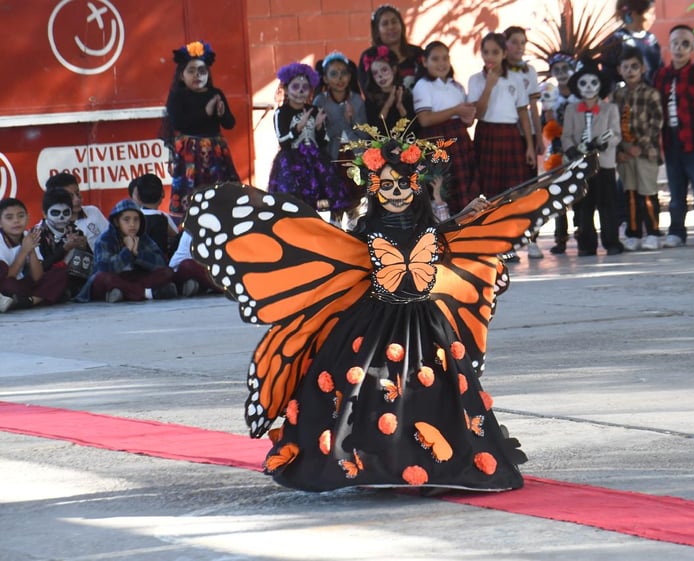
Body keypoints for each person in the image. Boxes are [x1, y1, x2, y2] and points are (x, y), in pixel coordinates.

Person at [182, 121, 598, 494]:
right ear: (373, 187)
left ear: (416, 186)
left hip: (427, 321)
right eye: (386, 184)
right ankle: (367, 461)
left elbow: (458, 235)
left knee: (434, 395)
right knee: (367, 390)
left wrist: (467, 216)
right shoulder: (363, 234)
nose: (396, 192)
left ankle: (435, 465)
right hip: (373, 320)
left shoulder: (431, 227)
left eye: (402, 184)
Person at [468, 32, 535, 262]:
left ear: (504, 53)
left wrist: (529, 144)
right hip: (487, 132)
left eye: (495, 52)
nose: (490, 57)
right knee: (491, 188)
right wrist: (489, 84)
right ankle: (495, 242)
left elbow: (523, 113)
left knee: (513, 189)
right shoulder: (476, 80)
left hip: (510, 134)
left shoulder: (516, 80)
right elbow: (479, 113)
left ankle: (515, 240)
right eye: (485, 52)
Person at [653, 25, 694, 248]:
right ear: (669, 46)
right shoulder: (661, 75)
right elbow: (656, 110)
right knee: (676, 191)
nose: (679, 49)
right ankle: (677, 231)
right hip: (671, 142)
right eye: (675, 44)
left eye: (685, 44)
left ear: (692, 48)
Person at [163, 40, 238, 219]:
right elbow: (180, 123)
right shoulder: (177, 96)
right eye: (191, 71)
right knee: (191, 198)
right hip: (190, 155)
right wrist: (206, 112)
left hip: (215, 153)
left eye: (202, 71)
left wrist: (221, 113)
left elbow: (229, 123)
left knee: (220, 197)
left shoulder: (215, 93)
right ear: (182, 75)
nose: (197, 75)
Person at [267, 62, 349, 223]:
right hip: (291, 161)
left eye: (305, 87)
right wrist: (298, 127)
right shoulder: (281, 112)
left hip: (315, 159)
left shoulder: (315, 110)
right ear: (286, 90)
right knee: (293, 197)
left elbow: (322, 141)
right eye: (296, 86)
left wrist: (318, 127)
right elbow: (283, 142)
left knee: (328, 192)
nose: (300, 91)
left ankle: (331, 225)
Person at [562, 60, 623, 256]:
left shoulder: (609, 109)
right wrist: (571, 150)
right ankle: (586, 244)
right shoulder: (571, 109)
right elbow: (566, 135)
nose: (588, 88)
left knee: (607, 205)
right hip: (581, 164)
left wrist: (605, 143)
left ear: (600, 85)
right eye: (583, 83)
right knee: (583, 206)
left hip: (604, 163)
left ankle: (611, 241)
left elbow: (616, 133)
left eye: (593, 83)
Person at [412, 40, 477, 216]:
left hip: (460, 140)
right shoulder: (423, 86)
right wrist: (456, 110)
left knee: (466, 190)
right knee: (444, 190)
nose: (441, 63)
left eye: (445, 58)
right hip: (437, 143)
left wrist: (468, 116)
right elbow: (424, 120)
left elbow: (466, 120)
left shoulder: (456, 86)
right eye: (435, 59)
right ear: (425, 62)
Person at [74, 199, 176, 303]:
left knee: (167, 272)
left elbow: (161, 262)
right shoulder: (105, 239)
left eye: (136, 219)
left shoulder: (142, 237)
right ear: (116, 222)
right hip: (114, 278)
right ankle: (146, 293)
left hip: (134, 278)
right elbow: (104, 269)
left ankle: (122, 292)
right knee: (102, 278)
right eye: (126, 220)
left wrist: (137, 255)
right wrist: (127, 252)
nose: (132, 224)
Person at [614, 46, 664, 251]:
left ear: (643, 68)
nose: (630, 71)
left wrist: (640, 145)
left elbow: (657, 122)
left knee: (647, 193)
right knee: (630, 193)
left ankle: (652, 232)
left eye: (635, 66)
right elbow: (612, 123)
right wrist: (620, 150)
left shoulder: (651, 93)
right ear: (620, 70)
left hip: (646, 151)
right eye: (626, 67)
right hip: (625, 153)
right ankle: (633, 233)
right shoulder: (617, 95)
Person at [504, 26, 546, 259]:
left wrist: (537, 137)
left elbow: (533, 107)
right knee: (509, 189)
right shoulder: (498, 70)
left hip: (526, 135)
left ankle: (532, 238)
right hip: (506, 132)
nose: (519, 47)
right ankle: (508, 241)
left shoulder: (529, 71)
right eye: (514, 42)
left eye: (523, 42)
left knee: (529, 188)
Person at [313, 52, 368, 228]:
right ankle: (335, 232)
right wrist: (342, 121)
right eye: (334, 74)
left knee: (355, 203)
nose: (340, 78)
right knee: (335, 203)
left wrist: (351, 120)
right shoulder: (320, 100)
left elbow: (364, 135)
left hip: (354, 157)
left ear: (350, 76)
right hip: (332, 158)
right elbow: (320, 136)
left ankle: (354, 232)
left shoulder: (357, 100)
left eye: (344, 73)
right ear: (325, 78)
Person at [0, 198, 67, 312]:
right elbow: (8, 275)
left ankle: (30, 301)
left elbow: (37, 277)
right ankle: (42, 297)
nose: (16, 221)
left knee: (60, 273)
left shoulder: (28, 236)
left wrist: (31, 250)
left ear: (28, 218)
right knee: (8, 284)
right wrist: (25, 250)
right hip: (6, 284)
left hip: (21, 285)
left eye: (21, 216)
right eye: (9, 217)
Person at [541, 52, 579, 254]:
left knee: (580, 192)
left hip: (578, 149)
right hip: (557, 151)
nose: (562, 73)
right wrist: (547, 119)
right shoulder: (549, 97)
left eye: (566, 69)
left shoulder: (580, 93)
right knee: (558, 194)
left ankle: (583, 233)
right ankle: (561, 237)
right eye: (558, 70)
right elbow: (543, 126)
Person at [35, 188, 91, 299]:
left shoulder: (76, 232)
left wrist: (84, 248)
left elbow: (90, 263)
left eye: (66, 212)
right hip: (51, 280)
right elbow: (41, 269)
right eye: (55, 213)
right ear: (45, 214)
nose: (61, 217)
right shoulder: (37, 235)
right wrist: (64, 249)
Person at [358, 5, 424, 93]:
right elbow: (369, 93)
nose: (391, 27)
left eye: (394, 22)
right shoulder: (368, 58)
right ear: (377, 31)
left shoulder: (417, 53)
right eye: (385, 24)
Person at [601, 0, 662, 86]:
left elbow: (660, 68)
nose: (654, 17)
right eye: (650, 13)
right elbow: (608, 76)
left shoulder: (651, 38)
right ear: (633, 14)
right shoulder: (616, 41)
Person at [44, 172, 108, 249]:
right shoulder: (44, 230)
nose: (77, 199)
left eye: (77, 193)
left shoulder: (93, 212)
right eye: (70, 197)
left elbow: (112, 240)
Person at [362, 46, 417, 135]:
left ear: (394, 69)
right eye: (375, 73)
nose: (380, 76)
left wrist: (400, 106)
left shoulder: (405, 94)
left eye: (384, 70)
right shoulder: (371, 100)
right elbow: (376, 132)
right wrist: (387, 105)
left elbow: (412, 129)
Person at [131, 174, 179, 258]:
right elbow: (176, 238)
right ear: (163, 194)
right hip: (156, 267)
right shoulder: (161, 220)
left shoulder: (132, 218)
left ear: (138, 196)